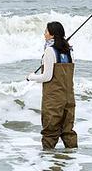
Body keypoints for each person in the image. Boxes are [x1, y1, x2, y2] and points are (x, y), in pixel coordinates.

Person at [26, 21, 78, 149]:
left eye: (46, 31)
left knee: (50, 133)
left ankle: (48, 163)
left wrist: (31, 77)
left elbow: (47, 77)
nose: (44, 34)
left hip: (54, 98)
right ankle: (72, 161)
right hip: (69, 96)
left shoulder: (50, 51)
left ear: (52, 35)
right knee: (68, 132)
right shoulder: (69, 51)